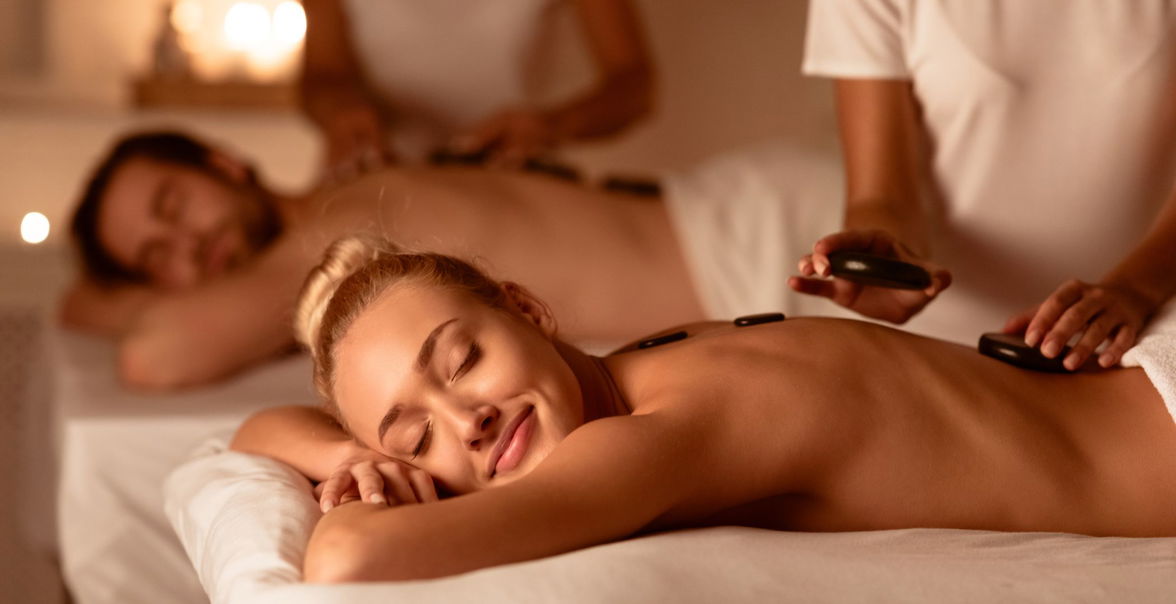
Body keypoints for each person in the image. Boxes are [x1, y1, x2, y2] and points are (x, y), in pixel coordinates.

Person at [231, 236, 1176, 582]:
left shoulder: (660, 440)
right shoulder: (645, 362)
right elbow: (250, 431)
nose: (465, 419)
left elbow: (348, 560)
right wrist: (349, 455)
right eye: (417, 433)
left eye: (463, 361)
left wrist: (370, 468)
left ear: (525, 308)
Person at [61, 130, 836, 390]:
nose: (188, 245)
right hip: (748, 234)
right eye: (156, 257)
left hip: (777, 240)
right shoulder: (343, 210)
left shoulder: (338, 227)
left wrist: (109, 299)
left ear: (223, 163)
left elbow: (155, 355)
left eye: (173, 207)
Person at [791, 1, 1176, 371]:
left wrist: (1135, 290)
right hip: (929, 344)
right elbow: (881, 197)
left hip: (1132, 335)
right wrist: (890, 264)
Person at [299, 0, 654, 179]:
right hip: (374, 178)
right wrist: (341, 111)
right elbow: (321, 74)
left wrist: (552, 126)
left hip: (507, 177)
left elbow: (635, 85)